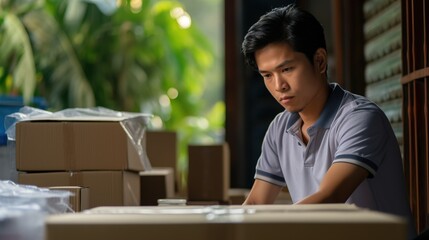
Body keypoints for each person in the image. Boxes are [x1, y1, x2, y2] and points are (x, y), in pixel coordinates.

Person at [241, 4, 416, 239]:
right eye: (267, 75)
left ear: (320, 61)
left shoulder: (361, 118)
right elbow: (256, 202)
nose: (278, 85)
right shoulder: (279, 128)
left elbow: (329, 198)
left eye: (287, 69)